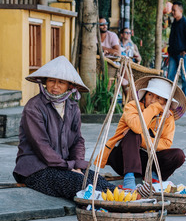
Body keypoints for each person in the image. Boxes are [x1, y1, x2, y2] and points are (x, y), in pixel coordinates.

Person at [13, 56, 116, 199]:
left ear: (70, 86)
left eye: (61, 82)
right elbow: (41, 145)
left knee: (99, 181)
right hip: (35, 169)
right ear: (45, 82)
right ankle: (104, 206)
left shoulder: (72, 107)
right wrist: (70, 167)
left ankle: (127, 202)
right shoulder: (34, 107)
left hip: (64, 166)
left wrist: (78, 166)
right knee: (79, 182)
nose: (55, 86)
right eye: (51, 81)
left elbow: (78, 140)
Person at [96, 76, 186, 191]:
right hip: (125, 159)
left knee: (178, 155)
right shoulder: (132, 106)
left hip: (150, 161)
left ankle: (154, 177)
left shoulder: (168, 117)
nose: (153, 100)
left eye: (159, 98)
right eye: (150, 95)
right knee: (132, 133)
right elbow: (137, 127)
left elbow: (166, 143)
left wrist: (143, 141)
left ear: (165, 102)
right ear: (144, 95)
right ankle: (129, 179)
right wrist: (155, 108)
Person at [167, 1, 186, 98]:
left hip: (182, 54)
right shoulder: (174, 23)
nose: (172, 12)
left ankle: (184, 96)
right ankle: (169, 96)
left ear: (180, 10)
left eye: (174, 10)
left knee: (184, 76)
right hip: (173, 54)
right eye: (172, 10)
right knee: (170, 76)